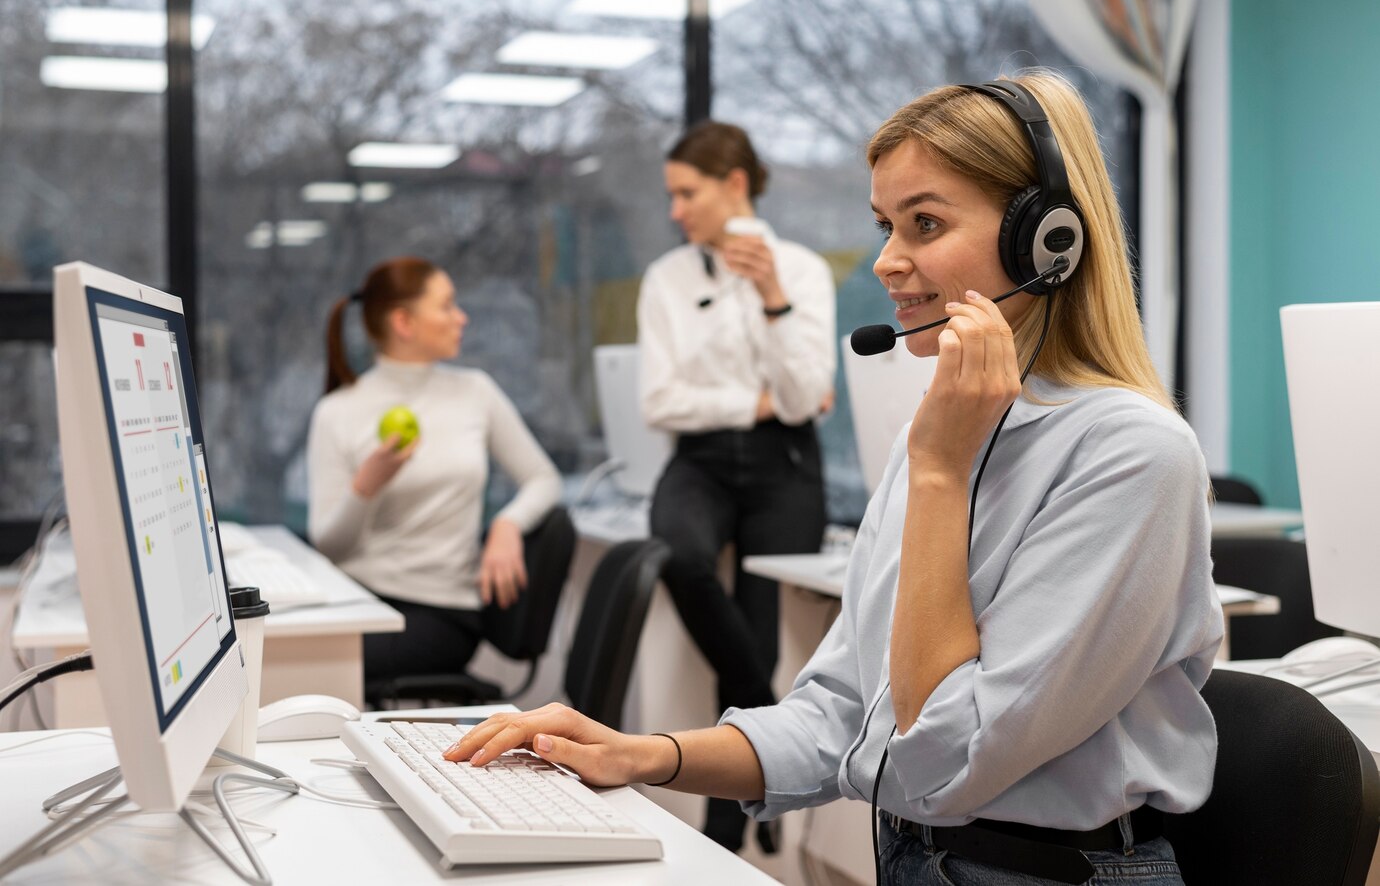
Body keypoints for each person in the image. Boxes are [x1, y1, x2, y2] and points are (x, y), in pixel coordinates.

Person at [442, 72, 1222, 886]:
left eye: (924, 222)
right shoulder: (943, 439)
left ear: (1046, 240)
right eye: (885, 224)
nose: (886, 261)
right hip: (925, 859)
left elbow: (941, 764)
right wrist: (641, 754)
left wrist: (940, 478)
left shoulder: (1129, 456)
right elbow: (838, 717)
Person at [636, 120, 837, 851]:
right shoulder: (668, 279)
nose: (675, 210)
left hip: (785, 466)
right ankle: (766, 725)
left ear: (735, 186)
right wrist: (748, 403)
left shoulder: (803, 271)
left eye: (686, 193)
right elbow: (660, 402)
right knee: (678, 553)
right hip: (699, 462)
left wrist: (771, 294)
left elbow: (805, 393)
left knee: (756, 622)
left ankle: (724, 829)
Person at [307, 256, 561, 689]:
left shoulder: (475, 392)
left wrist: (506, 524)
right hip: (358, 601)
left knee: (304, 670)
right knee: (278, 654)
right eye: (446, 306)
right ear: (404, 322)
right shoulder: (337, 412)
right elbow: (329, 545)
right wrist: (366, 486)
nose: (461, 317)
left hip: (441, 612)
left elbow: (544, 479)